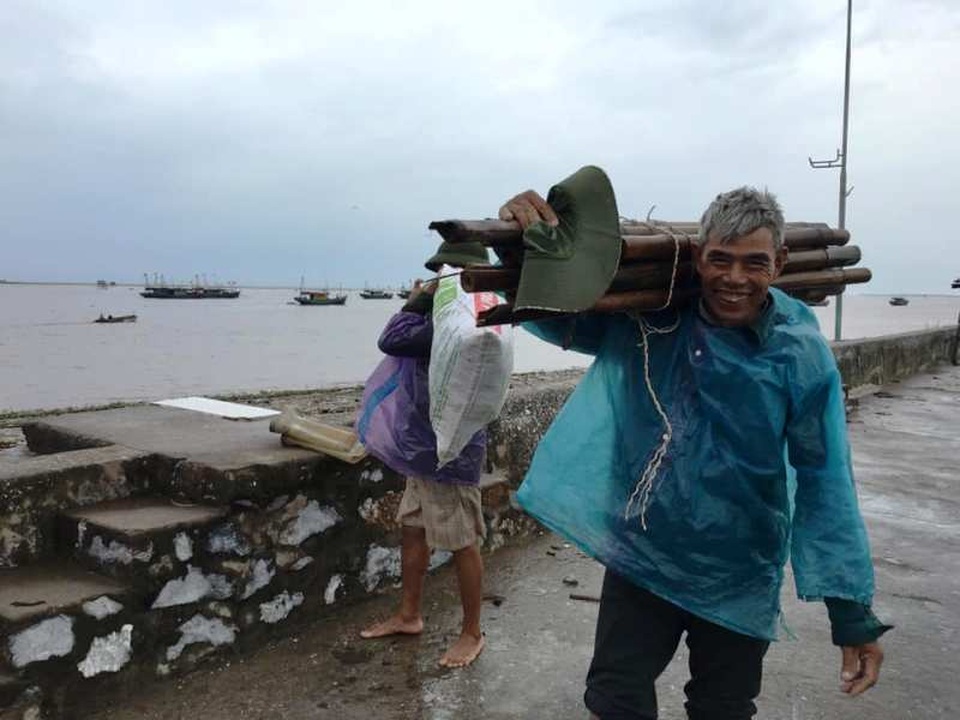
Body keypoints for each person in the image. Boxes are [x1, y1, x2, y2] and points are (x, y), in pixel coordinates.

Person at [499, 185, 890, 719]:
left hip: (740, 565)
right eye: (720, 260)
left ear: (778, 263)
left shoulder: (799, 353)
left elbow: (826, 481)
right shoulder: (651, 319)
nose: (735, 278)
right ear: (699, 257)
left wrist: (851, 613)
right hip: (643, 546)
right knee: (614, 698)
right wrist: (520, 245)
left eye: (754, 263)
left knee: (722, 707)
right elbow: (554, 313)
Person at [360, 240, 491, 669]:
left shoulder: (456, 323)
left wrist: (417, 299)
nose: (438, 280)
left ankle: (472, 633)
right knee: (414, 529)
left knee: (462, 541)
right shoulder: (472, 315)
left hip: (448, 453)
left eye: (444, 274)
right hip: (425, 448)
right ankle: (409, 614)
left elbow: (391, 339)